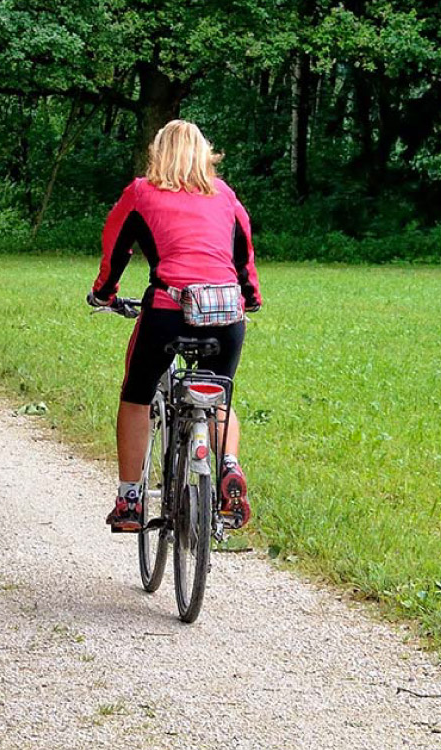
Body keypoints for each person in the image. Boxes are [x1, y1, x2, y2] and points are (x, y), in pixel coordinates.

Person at [87, 120, 262, 533]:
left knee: (136, 395)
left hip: (168, 310)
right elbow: (244, 257)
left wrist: (104, 294)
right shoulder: (226, 196)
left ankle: (130, 500)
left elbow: (116, 249)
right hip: (225, 315)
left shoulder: (140, 193)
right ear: (205, 154)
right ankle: (229, 467)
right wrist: (249, 299)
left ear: (157, 153)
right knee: (218, 393)